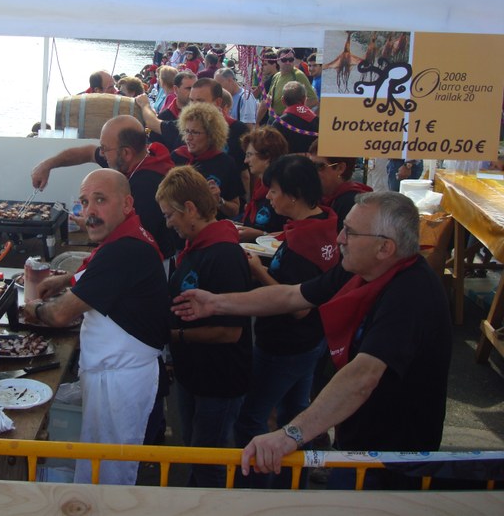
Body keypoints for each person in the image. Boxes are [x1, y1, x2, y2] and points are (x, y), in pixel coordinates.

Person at [172, 191, 453, 490]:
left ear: (385, 247)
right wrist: (216, 304)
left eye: (351, 232)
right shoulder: (361, 269)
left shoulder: (411, 294)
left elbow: (362, 377)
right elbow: (292, 295)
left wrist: (290, 434)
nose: (340, 239)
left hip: (392, 464)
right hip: (358, 447)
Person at [22, 169, 170, 485]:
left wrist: (31, 302)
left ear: (127, 204)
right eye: (85, 202)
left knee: (110, 477)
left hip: (121, 383)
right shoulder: (127, 239)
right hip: (114, 375)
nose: (90, 212)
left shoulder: (124, 251)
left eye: (100, 200)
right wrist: (66, 279)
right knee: (97, 467)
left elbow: (61, 315)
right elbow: (102, 277)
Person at [234, 155, 339, 488]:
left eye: (275, 190)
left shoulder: (301, 246)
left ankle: (254, 490)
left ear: (293, 194)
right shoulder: (326, 223)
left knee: (250, 419)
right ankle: (292, 486)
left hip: (285, 345)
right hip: (312, 342)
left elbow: (297, 307)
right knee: (296, 418)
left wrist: (258, 270)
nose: (268, 196)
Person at [155, 165, 252, 487]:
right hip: (194, 374)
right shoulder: (195, 248)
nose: (168, 222)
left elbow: (230, 331)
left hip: (219, 380)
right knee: (193, 450)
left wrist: (173, 336)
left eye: (170, 214)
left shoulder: (223, 254)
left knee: (207, 460)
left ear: (191, 209)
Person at [31, 115, 177, 261]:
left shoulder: (148, 187)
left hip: (149, 260)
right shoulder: (131, 158)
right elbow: (88, 152)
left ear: (126, 153)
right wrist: (48, 165)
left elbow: (131, 240)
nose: (101, 153)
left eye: (104, 149)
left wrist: (91, 223)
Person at [170, 102, 243, 220]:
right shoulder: (177, 157)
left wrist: (219, 201)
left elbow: (235, 210)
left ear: (211, 135)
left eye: (195, 132)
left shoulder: (225, 163)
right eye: (187, 131)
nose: (188, 137)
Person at [237, 127, 289, 242]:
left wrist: (262, 235)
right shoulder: (260, 186)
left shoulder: (284, 189)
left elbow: (294, 232)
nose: (246, 161)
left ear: (267, 157)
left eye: (249, 155)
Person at [308, 139, 372, 231]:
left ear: (340, 168)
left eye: (318, 166)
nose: (311, 171)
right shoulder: (321, 196)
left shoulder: (350, 202)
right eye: (309, 165)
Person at [259, 48, 318, 124]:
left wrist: (293, 113)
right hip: (273, 119)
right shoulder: (276, 76)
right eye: (284, 60)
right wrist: (257, 122)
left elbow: (313, 100)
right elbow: (267, 100)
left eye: (291, 60)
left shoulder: (298, 75)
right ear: (278, 61)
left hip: (289, 122)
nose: (288, 62)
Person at [271, 81, 319, 153]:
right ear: (304, 99)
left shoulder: (279, 123)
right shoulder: (316, 121)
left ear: (283, 101)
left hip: (286, 163)